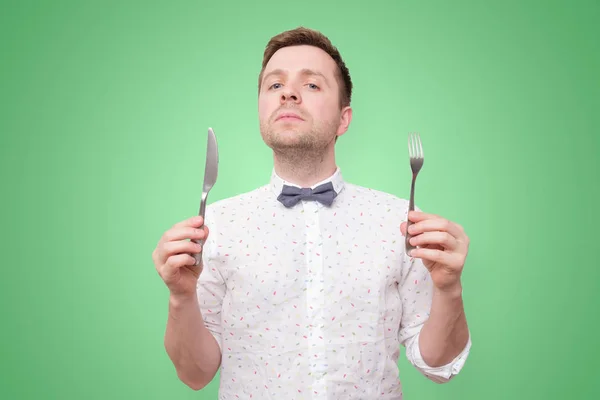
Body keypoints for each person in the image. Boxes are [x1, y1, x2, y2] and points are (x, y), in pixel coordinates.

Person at [152, 26, 472, 399]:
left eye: (312, 85)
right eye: (274, 86)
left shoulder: (401, 222)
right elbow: (195, 374)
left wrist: (449, 288)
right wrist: (180, 296)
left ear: (343, 119)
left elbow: (438, 365)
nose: (288, 92)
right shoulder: (215, 227)